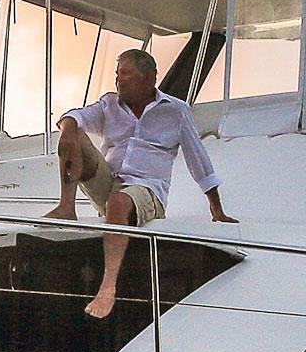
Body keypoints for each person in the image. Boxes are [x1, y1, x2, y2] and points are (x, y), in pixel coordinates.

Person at [47, 48, 235, 318]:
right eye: (117, 74)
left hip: (148, 189)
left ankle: (108, 287)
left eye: (125, 73)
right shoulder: (109, 104)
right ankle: (66, 207)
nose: (118, 80)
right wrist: (67, 129)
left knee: (119, 202)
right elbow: (76, 115)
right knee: (74, 134)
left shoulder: (175, 111)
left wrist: (216, 208)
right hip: (110, 182)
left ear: (148, 78)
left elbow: (199, 161)